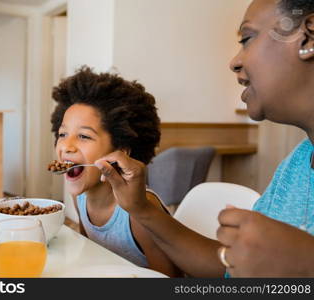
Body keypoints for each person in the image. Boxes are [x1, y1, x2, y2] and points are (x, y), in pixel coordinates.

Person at [94, 0, 314, 277]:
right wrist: (141, 209)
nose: (234, 61)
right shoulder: (297, 163)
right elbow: (230, 270)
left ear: (308, 37)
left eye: (246, 39)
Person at [50, 67, 181, 277]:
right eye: (63, 133)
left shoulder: (139, 212)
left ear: (120, 152)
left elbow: (168, 279)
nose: (66, 146)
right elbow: (90, 253)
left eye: (84, 136)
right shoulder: (80, 197)